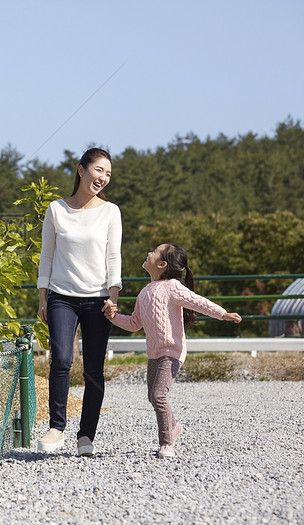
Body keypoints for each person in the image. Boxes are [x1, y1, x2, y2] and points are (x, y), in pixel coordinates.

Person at [103, 243, 242, 458]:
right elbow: (133, 323)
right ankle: (174, 425)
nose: (148, 252)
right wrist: (112, 317)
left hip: (172, 351)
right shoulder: (144, 293)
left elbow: (198, 302)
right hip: (154, 353)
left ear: (162, 264)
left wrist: (223, 313)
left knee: (158, 395)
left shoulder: (173, 287)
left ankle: (167, 443)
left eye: (154, 251)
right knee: (152, 396)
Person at [36, 147, 122, 456]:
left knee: (93, 370)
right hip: (61, 297)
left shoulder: (111, 211)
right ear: (81, 170)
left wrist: (113, 295)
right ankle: (57, 428)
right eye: (99, 170)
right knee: (60, 360)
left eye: (108, 174)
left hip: (98, 299)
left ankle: (86, 436)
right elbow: (46, 256)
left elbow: (114, 256)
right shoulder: (56, 209)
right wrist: (43, 296)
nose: (103, 177)